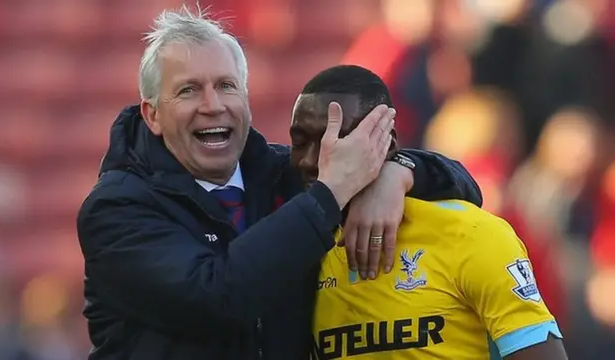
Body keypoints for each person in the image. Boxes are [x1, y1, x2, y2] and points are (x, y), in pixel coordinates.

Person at [76, 6, 482, 360]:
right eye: (188, 90)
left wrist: (395, 173)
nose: (212, 105)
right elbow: (217, 298)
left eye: (226, 86)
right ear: (152, 115)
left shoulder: (280, 172)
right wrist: (332, 193)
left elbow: (464, 186)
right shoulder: (115, 209)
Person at [289, 65, 567, 360]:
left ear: (388, 143)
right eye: (299, 142)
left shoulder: (468, 234)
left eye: (336, 141)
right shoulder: (296, 246)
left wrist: (399, 171)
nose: (310, 160)